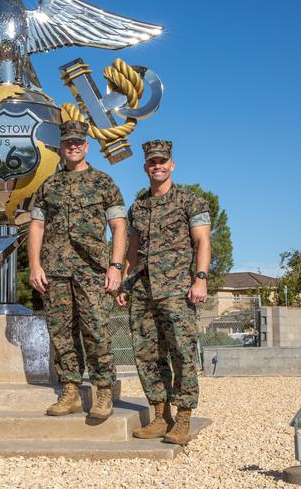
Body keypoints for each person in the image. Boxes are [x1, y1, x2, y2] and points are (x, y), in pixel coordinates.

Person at [28, 120, 127, 420]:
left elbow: (119, 226)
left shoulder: (103, 183)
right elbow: (37, 226)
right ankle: (70, 390)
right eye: (67, 142)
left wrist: (116, 266)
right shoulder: (49, 186)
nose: (72, 146)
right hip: (55, 270)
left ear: (86, 147)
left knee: (96, 330)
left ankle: (103, 392)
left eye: (77, 142)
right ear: (61, 147)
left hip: (92, 269)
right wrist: (34, 265)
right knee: (61, 332)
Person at [117, 139, 211, 444]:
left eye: (162, 161)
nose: (157, 166)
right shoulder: (138, 207)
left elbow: (203, 243)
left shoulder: (190, 202)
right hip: (143, 290)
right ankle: (160, 416)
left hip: (176, 290)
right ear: (146, 167)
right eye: (152, 162)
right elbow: (132, 249)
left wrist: (200, 279)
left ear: (171, 165)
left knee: (181, 352)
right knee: (146, 353)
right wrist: (124, 282)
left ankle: (183, 417)